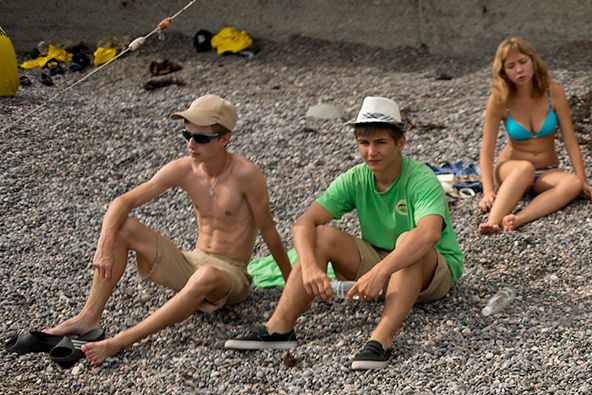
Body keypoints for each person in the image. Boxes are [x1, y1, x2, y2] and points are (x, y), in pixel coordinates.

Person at [42, 94, 290, 365]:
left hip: (230, 274)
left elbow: (269, 232)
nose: (191, 144)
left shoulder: (246, 175)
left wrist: (291, 283)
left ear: (224, 139)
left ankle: (121, 341)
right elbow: (123, 202)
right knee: (121, 226)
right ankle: (89, 318)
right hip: (193, 260)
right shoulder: (185, 169)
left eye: (201, 138)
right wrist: (104, 244)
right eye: (187, 135)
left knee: (206, 275)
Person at [224, 96, 464, 371]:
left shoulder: (420, 179)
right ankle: (279, 328)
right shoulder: (357, 177)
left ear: (400, 143)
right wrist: (310, 267)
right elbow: (304, 223)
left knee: (408, 240)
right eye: (364, 143)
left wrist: (380, 271)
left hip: (431, 271)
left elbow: (429, 234)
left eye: (380, 143)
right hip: (381, 263)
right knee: (321, 236)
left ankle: (381, 340)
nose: (371, 152)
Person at [477, 36, 592, 234]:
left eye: (523, 62)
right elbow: (486, 153)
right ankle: (492, 223)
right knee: (525, 168)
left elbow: (570, 141)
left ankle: (518, 220)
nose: (519, 70)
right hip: (512, 170)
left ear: (533, 61)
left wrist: (582, 179)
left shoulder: (553, 92)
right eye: (511, 66)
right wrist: (488, 191)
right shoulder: (499, 100)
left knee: (573, 183)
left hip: (546, 171)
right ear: (503, 71)